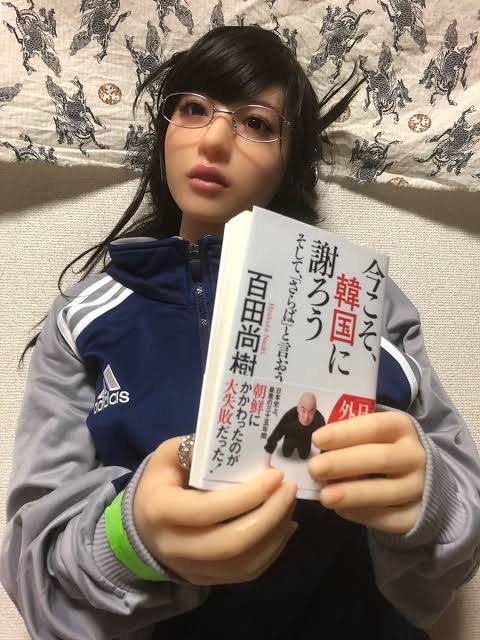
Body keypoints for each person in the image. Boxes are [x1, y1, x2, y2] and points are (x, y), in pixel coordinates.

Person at [1, 24, 479, 640]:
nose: (214, 138)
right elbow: (33, 568)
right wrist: (127, 540)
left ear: (289, 163)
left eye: (256, 122)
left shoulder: (363, 298)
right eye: (192, 109)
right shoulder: (83, 316)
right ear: (165, 132)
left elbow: (464, 518)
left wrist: (430, 499)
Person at [264, 392, 325, 464]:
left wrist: (322, 460)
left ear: (315, 410)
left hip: (305, 440)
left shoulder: (319, 419)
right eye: (303, 410)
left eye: (310, 412)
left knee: (304, 456)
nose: (306, 417)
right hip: (290, 438)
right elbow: (276, 434)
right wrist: (267, 463)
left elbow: (326, 441)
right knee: (286, 453)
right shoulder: (290, 416)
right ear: (298, 408)